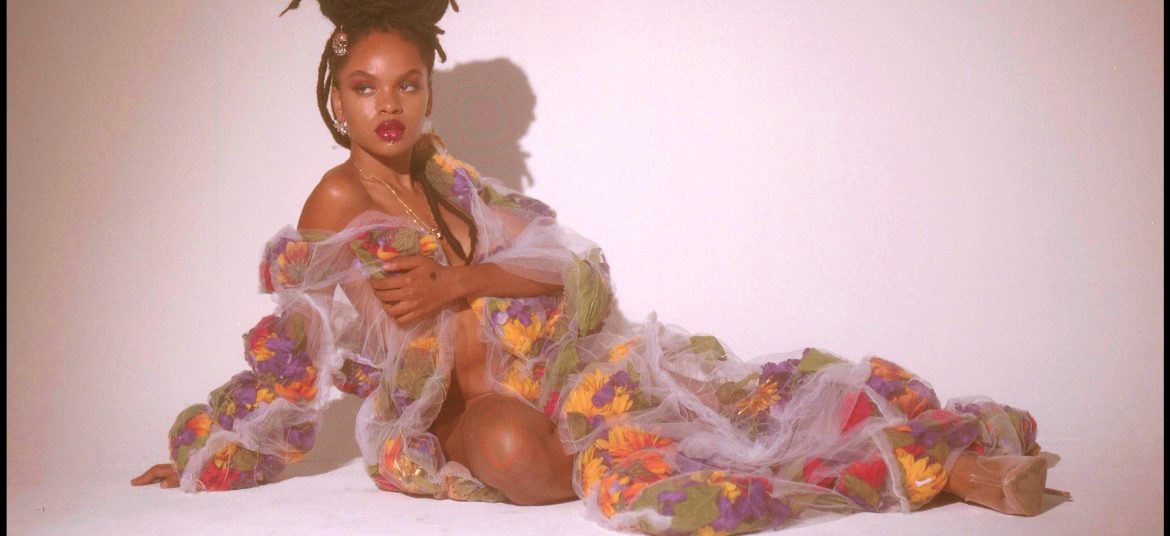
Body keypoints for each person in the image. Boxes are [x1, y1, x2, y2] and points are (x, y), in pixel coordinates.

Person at [133, 1, 1068, 533]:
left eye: (407, 83)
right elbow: (292, 351)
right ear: (336, 98)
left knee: (740, 406)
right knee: (535, 462)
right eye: (365, 86)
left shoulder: (450, 180)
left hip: (557, 374)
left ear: (427, 91)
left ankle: (964, 469)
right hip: (464, 413)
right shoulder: (335, 201)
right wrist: (209, 452)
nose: (389, 104)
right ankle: (908, 468)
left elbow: (570, 271)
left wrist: (464, 280)